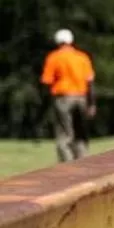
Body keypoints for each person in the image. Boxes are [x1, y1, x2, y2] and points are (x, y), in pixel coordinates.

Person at [39, 28, 95, 162]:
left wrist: (44, 103)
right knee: (80, 133)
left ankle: (68, 166)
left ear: (57, 42)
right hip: (81, 97)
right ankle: (84, 162)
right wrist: (92, 104)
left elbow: (46, 81)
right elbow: (90, 82)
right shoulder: (82, 57)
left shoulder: (54, 57)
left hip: (63, 98)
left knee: (64, 134)